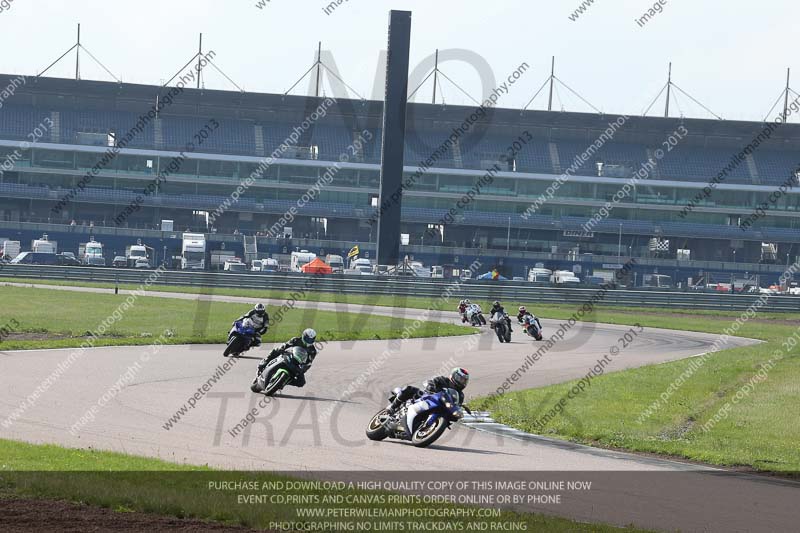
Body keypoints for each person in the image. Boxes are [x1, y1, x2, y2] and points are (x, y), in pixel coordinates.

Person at [387, 367, 470, 414]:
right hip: (428, 397)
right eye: (460, 379)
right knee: (409, 389)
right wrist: (431, 386)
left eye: (464, 380)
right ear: (454, 376)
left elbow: (457, 404)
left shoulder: (460, 395)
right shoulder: (443, 380)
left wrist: (460, 407)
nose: (462, 381)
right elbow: (432, 382)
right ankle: (393, 407)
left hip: (440, 407)